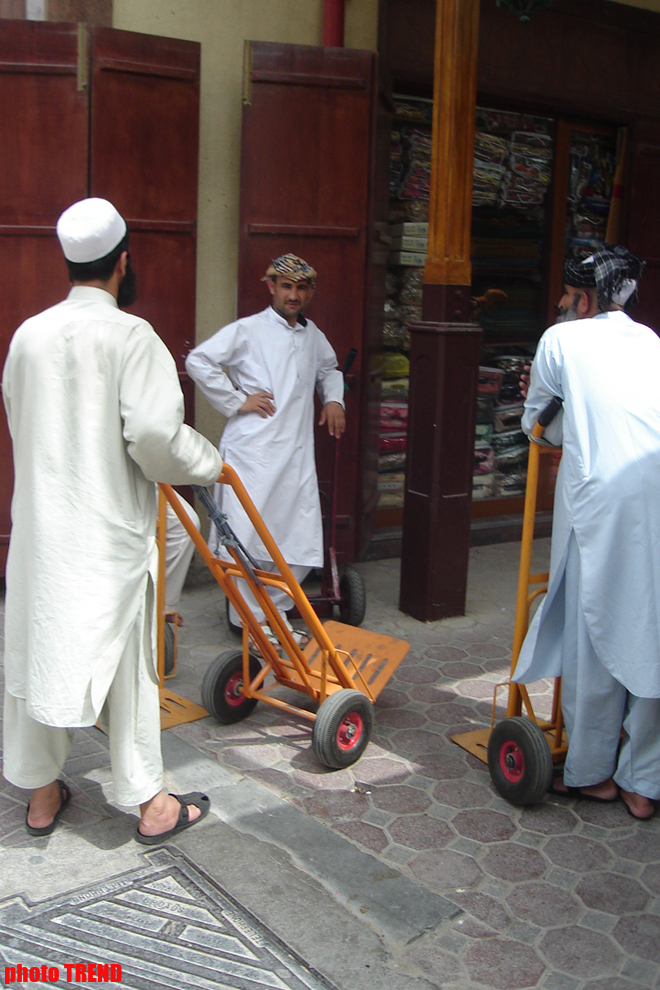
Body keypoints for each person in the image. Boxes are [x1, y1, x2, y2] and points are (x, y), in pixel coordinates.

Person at [2, 197, 223, 841]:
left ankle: (42, 796)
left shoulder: (28, 335)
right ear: (125, 262)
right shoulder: (132, 336)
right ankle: (150, 803)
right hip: (107, 535)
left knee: (38, 648)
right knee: (128, 664)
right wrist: (207, 461)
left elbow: (24, 422)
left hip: (44, 531)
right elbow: (156, 436)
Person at [515, 245, 660, 820]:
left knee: (594, 627)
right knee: (650, 626)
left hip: (600, 501)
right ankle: (644, 780)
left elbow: (537, 428)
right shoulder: (651, 342)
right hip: (654, 492)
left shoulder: (560, 339)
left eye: (566, 295)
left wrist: (556, 416)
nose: (560, 304)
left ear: (584, 297)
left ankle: (592, 772)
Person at [185, 254, 345, 645]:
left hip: (296, 455)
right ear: (271, 287)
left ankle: (272, 616)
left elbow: (329, 369)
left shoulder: (312, 336)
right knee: (246, 535)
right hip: (252, 453)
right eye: (286, 286)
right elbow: (199, 360)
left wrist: (333, 400)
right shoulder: (248, 330)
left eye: (301, 288)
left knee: (297, 540)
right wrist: (237, 399)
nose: (293, 295)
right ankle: (255, 625)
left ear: (309, 292)